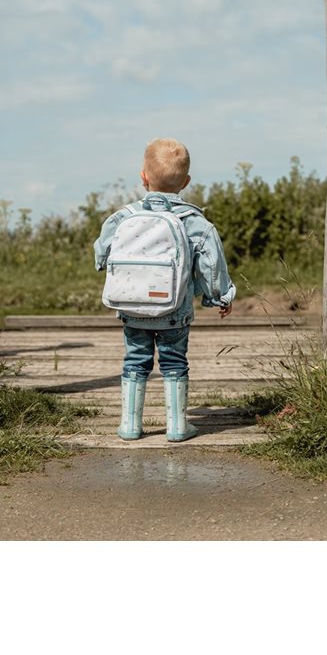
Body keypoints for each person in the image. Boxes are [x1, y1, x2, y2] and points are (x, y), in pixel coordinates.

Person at [93, 138, 236, 442]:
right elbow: (211, 265)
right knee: (173, 361)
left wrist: (105, 266)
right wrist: (219, 296)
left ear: (143, 176)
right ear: (186, 182)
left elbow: (101, 251)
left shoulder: (124, 217)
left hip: (132, 307)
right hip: (174, 310)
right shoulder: (194, 222)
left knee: (135, 360)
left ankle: (130, 426)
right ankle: (177, 426)